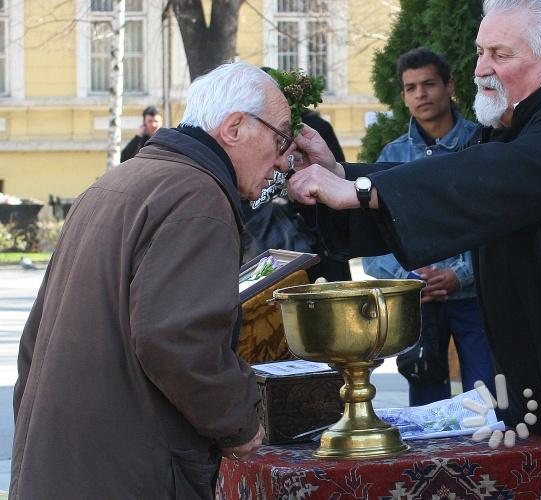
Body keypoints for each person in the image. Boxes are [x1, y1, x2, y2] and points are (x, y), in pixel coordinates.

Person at [286, 1, 541, 498]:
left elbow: (489, 179)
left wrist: (364, 191)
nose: (480, 68)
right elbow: (458, 171)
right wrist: (340, 174)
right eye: (480, 52)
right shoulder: (519, 122)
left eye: (500, 53)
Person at [10, 61, 297, 498]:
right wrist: (239, 421)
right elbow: (178, 339)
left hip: (60, 463)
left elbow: (33, 341)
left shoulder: (116, 183)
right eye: (280, 138)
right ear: (234, 127)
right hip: (128, 471)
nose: (282, 159)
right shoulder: (197, 196)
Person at [362, 48, 492, 405]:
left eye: (429, 83)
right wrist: (409, 277)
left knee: (488, 401)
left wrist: (460, 274)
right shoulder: (391, 158)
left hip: (476, 300)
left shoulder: (482, 143)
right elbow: (373, 244)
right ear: (403, 96)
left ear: (449, 86)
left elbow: (498, 224)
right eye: (411, 87)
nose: (420, 94)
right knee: (426, 407)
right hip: (418, 305)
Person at [239, 106, 352, 282]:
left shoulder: (310, 129)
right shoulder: (247, 130)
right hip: (260, 241)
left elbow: (337, 184)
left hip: (316, 239)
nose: (283, 163)